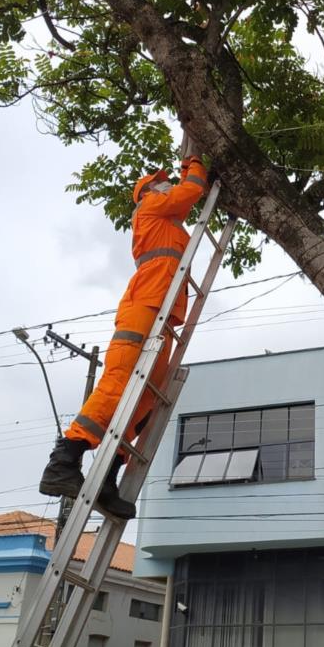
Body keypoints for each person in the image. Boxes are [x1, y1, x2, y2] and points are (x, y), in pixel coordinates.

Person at [39, 154, 209, 518]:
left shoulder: (168, 222)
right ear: (148, 190)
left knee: (146, 401)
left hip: (160, 316)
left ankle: (108, 477)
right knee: (118, 383)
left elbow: (184, 204)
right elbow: (193, 190)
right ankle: (64, 459)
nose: (168, 185)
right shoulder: (153, 206)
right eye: (161, 181)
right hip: (143, 307)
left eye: (168, 181)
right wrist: (193, 163)